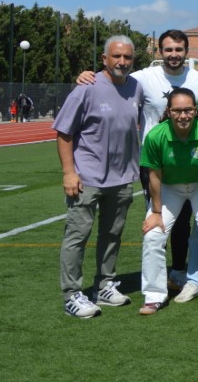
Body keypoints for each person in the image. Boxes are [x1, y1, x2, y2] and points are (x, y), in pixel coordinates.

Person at [76, 29, 198, 302]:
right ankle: (157, 282)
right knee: (160, 219)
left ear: (187, 52)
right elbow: (114, 78)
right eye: (168, 49)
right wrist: (87, 76)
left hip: (191, 161)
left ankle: (180, 272)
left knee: (189, 222)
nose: (174, 54)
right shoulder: (142, 78)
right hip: (154, 163)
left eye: (179, 49)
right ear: (160, 52)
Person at [54, 35, 144, 318]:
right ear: (104, 59)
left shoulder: (136, 87)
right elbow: (64, 133)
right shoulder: (87, 87)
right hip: (87, 178)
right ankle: (72, 295)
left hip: (121, 178)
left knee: (112, 235)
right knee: (77, 236)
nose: (122, 61)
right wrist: (69, 172)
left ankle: (104, 285)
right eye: (116, 56)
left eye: (127, 57)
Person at [138, 88, 198, 314]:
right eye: (177, 111)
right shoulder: (155, 136)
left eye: (188, 110)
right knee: (153, 234)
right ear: (168, 111)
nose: (183, 115)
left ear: (195, 110)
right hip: (169, 188)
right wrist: (156, 213)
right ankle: (154, 296)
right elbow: (154, 176)